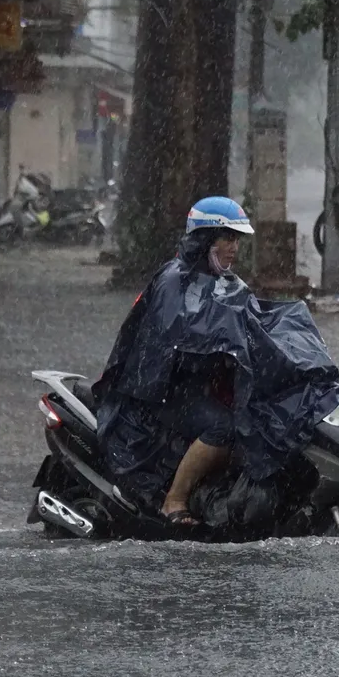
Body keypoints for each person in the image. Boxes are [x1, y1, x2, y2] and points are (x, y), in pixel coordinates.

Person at [93, 196, 254, 527]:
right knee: (223, 426)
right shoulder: (173, 280)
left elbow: (252, 322)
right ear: (205, 239)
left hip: (197, 386)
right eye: (227, 238)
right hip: (160, 390)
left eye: (236, 239)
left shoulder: (230, 285)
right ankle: (174, 501)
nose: (233, 247)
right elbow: (175, 335)